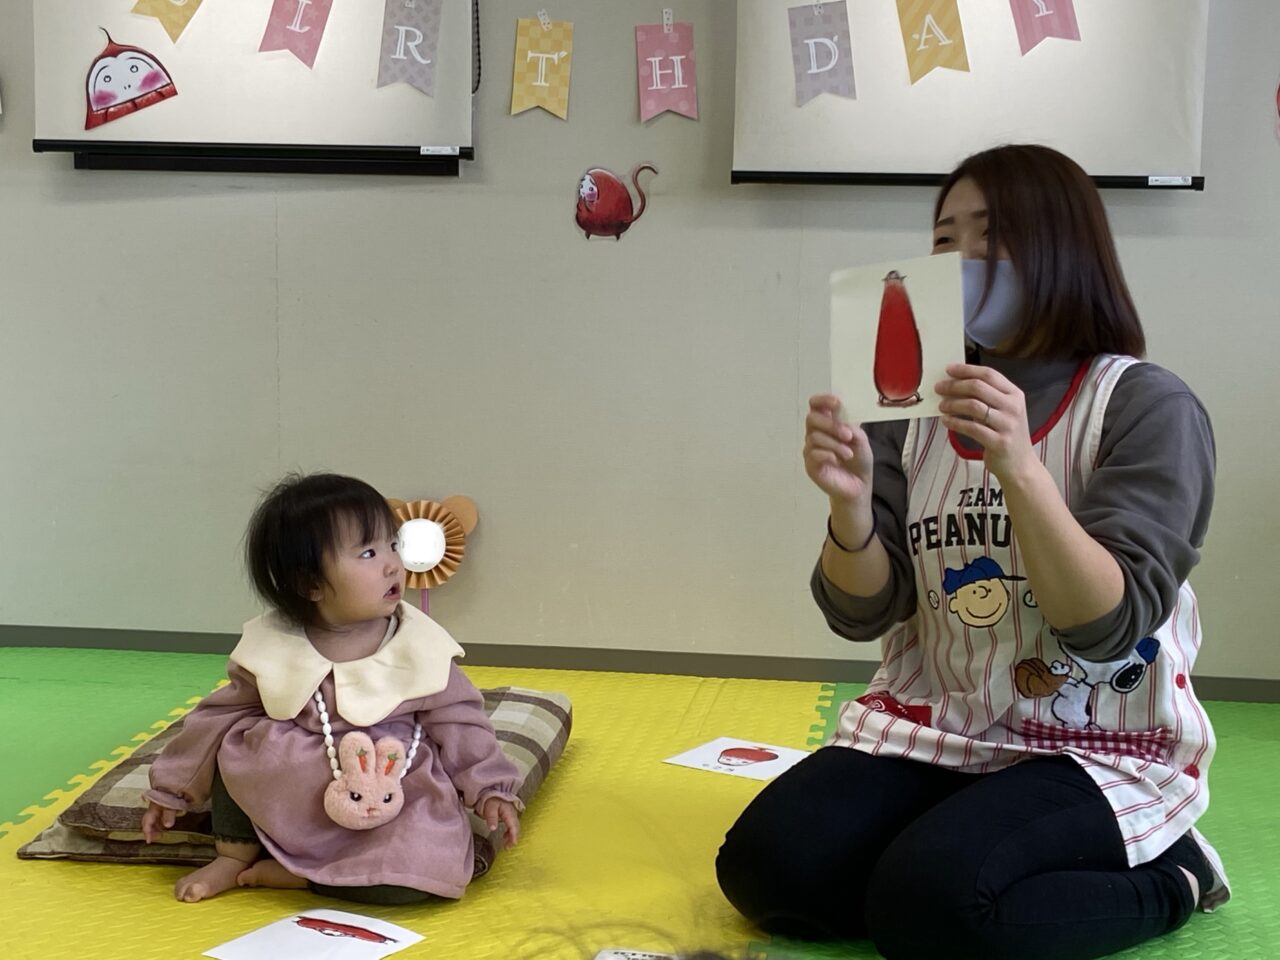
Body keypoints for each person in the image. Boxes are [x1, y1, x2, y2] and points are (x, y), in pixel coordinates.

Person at [716, 144, 1227, 960]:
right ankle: (947, 849)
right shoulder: (908, 406)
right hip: (942, 726)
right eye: (944, 238)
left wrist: (1020, 467)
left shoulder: (1144, 404)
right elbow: (864, 612)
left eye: (990, 235)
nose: (961, 259)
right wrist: (849, 508)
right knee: (769, 871)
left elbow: (1105, 626)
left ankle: (1177, 873)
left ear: (1064, 244)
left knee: (933, 910)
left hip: (1095, 742)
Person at [142, 472, 522, 904]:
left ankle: (305, 877)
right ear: (310, 584)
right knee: (236, 743)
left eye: (392, 545)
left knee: (418, 874)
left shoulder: (418, 647)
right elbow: (214, 717)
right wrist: (171, 787)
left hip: (389, 783)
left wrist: (491, 787)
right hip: (292, 786)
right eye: (368, 552)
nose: (393, 564)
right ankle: (233, 854)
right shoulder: (274, 646)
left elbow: (462, 721)